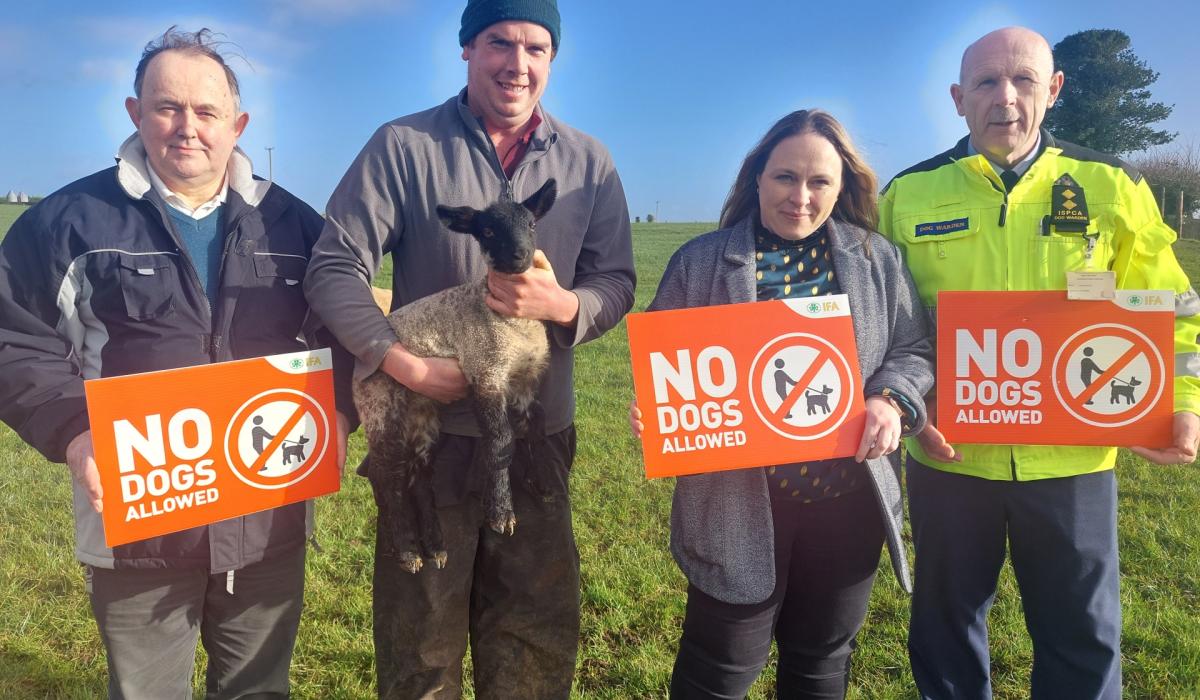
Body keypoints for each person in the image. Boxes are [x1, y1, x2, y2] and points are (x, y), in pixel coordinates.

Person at [0, 27, 353, 699]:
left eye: (207, 111)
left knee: (258, 688)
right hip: (140, 525)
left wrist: (338, 410)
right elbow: (12, 336)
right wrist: (75, 431)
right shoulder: (69, 222)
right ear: (136, 113)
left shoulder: (296, 226)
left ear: (237, 125)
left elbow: (345, 330)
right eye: (168, 107)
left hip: (266, 516)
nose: (188, 127)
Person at [301, 1, 635, 697]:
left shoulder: (588, 162)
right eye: (499, 42)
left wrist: (566, 307)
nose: (518, 64)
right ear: (467, 49)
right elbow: (334, 267)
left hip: (537, 437)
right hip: (433, 442)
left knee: (533, 638)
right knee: (421, 644)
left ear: (552, 58)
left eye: (536, 48)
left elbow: (616, 280)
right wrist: (401, 363)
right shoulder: (404, 147)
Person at [877, 26, 1200, 700]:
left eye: (1023, 80)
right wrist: (907, 407)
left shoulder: (1111, 184)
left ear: (1053, 90)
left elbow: (1174, 308)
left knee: (1081, 637)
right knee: (944, 632)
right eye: (987, 82)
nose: (1006, 97)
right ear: (959, 98)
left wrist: (1184, 403)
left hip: (1074, 457)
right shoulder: (907, 194)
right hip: (949, 456)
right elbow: (881, 326)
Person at [630, 109, 934, 699]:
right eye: (785, 177)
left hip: (847, 502)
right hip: (737, 503)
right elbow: (663, 368)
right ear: (757, 178)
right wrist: (658, 407)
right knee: (717, 673)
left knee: (821, 666)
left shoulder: (877, 259)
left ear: (842, 187)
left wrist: (890, 399)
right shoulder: (699, 262)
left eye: (819, 181)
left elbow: (913, 348)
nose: (800, 197)